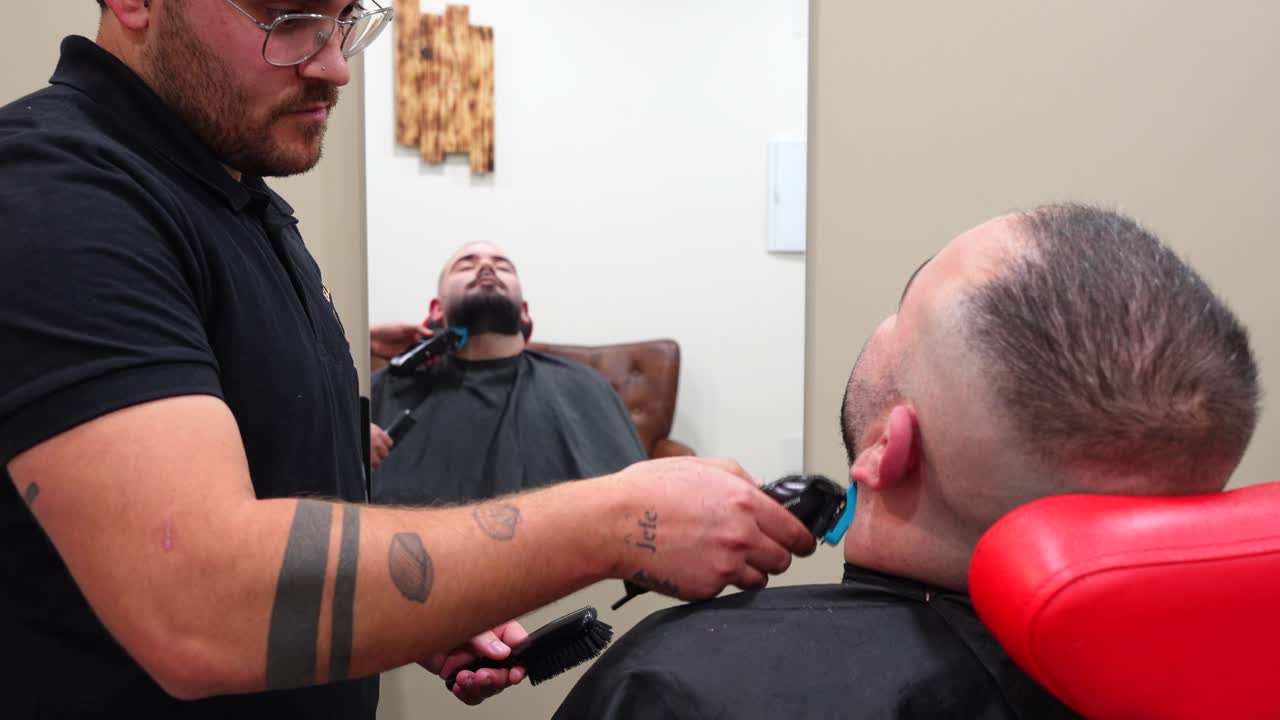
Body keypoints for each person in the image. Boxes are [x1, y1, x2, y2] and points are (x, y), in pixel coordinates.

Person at [0, 2, 816, 717]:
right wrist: (616, 521)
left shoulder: (248, 206)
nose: (332, 64)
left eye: (345, 19)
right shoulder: (60, 195)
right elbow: (200, 603)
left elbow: (282, 490)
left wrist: (420, 603)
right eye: (287, 18)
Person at [554, 204, 1261, 719]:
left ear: (890, 448)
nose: (884, 324)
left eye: (904, 308)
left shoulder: (677, 686)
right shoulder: (1244, 680)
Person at [368, 241, 648, 504]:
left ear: (525, 312)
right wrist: (354, 345)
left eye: (502, 266)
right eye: (466, 265)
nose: (486, 267)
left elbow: (637, 501)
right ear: (436, 309)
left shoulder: (584, 386)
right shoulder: (387, 388)